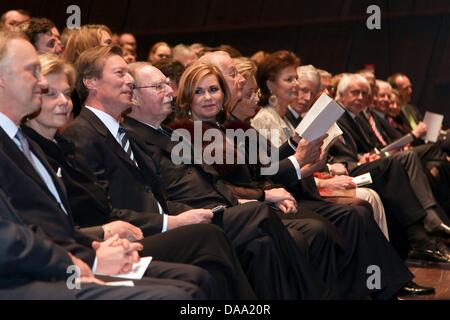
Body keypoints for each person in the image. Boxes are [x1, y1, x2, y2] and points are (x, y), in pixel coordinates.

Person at [63, 46, 329, 300]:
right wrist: (174, 220)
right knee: (257, 218)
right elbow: (103, 210)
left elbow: (168, 189)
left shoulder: (134, 132)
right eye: (120, 74)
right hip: (148, 228)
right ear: (90, 82)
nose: (129, 82)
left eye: (167, 84)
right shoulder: (92, 133)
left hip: (182, 212)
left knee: (264, 243)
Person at [0, 31, 217, 299]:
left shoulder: (26, 142)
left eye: (65, 94)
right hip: (30, 277)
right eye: (33, 71)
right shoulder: (62, 137)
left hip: (70, 255)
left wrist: (93, 250)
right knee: (183, 288)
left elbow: (51, 226)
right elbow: (12, 237)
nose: (42, 83)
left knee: (196, 278)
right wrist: (85, 259)